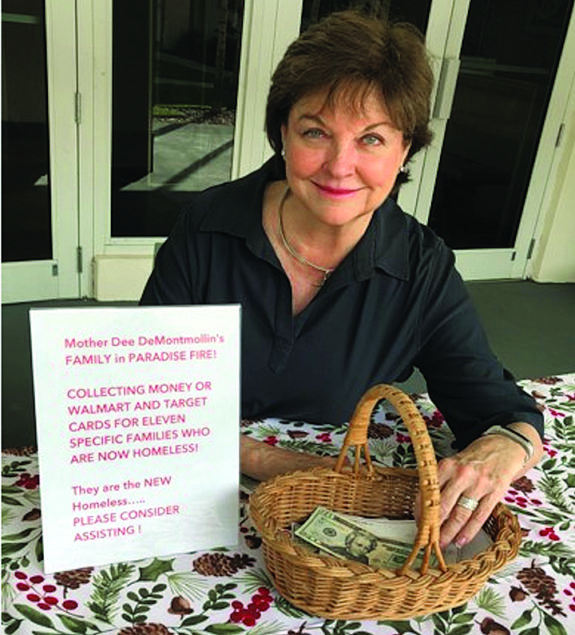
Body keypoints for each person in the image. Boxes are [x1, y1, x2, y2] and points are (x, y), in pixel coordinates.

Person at [140, 11, 544, 551]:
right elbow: (144, 398)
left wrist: (504, 448)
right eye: (316, 132)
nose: (339, 165)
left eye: (371, 139)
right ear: (283, 134)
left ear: (405, 149)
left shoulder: (421, 267)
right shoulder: (206, 226)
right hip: (192, 494)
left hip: (327, 525)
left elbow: (503, 412)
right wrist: (270, 460)